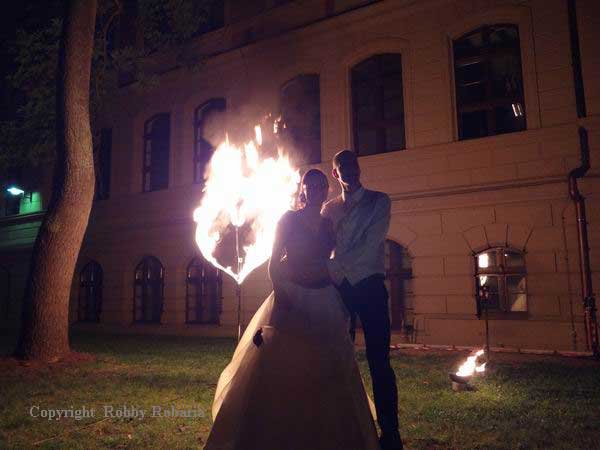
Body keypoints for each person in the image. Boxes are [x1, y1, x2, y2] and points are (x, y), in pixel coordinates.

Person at [203, 169, 381, 450]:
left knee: (330, 365)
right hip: (291, 296)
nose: (317, 190)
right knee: (284, 365)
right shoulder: (288, 219)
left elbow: (339, 259)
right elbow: (275, 262)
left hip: (324, 298)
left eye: (322, 185)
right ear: (303, 190)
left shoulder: (328, 225)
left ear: (326, 190)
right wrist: (283, 294)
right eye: (311, 185)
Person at [321, 150, 403, 450]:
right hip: (339, 291)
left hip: (369, 287)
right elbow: (322, 246)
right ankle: (340, 427)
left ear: (359, 168)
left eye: (352, 164)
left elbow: (371, 245)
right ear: (335, 173)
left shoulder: (379, 201)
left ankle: (391, 432)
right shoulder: (327, 210)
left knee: (379, 362)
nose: (349, 170)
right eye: (342, 166)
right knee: (337, 359)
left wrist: (333, 268)